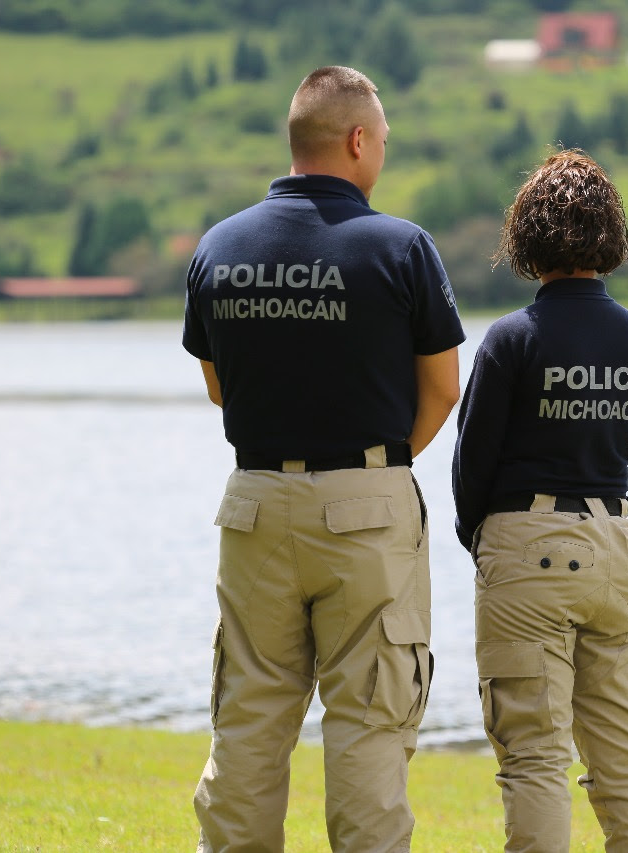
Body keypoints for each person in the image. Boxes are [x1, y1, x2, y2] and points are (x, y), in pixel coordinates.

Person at [183, 65, 464, 853]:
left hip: (254, 504)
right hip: (368, 506)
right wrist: (375, 468)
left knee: (248, 718)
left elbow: (217, 388)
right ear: (356, 140)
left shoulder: (219, 246)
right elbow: (443, 388)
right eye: (383, 140)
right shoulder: (403, 246)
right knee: (371, 721)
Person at [451, 150, 628, 853]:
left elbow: (472, 464)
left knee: (537, 754)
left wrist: (482, 542)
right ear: (611, 237)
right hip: (616, 545)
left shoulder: (512, 339)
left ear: (527, 236)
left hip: (530, 545)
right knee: (622, 754)